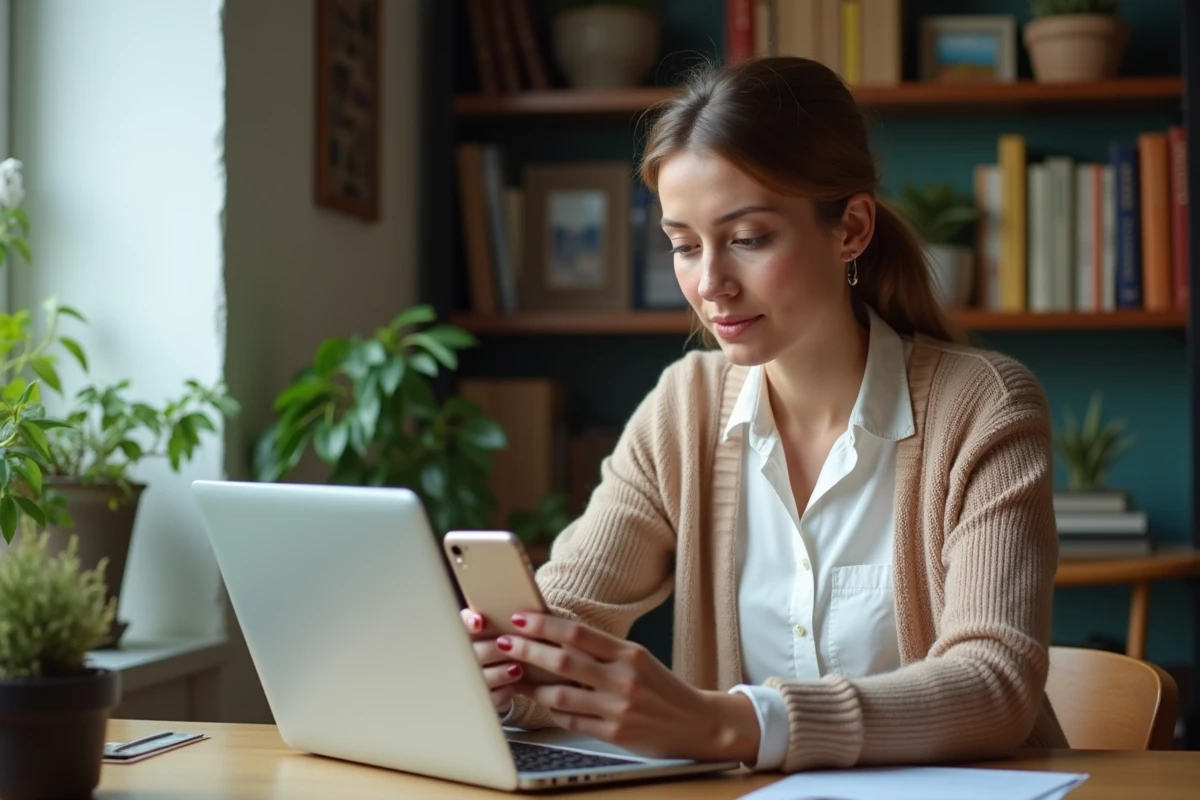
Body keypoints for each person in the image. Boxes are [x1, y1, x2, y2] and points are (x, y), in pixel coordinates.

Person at [461, 56, 1068, 773]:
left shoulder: (983, 406)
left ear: (851, 229)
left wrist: (733, 724)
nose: (710, 284)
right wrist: (507, 669)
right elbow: (570, 616)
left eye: (747, 239)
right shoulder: (683, 407)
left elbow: (994, 684)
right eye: (684, 246)